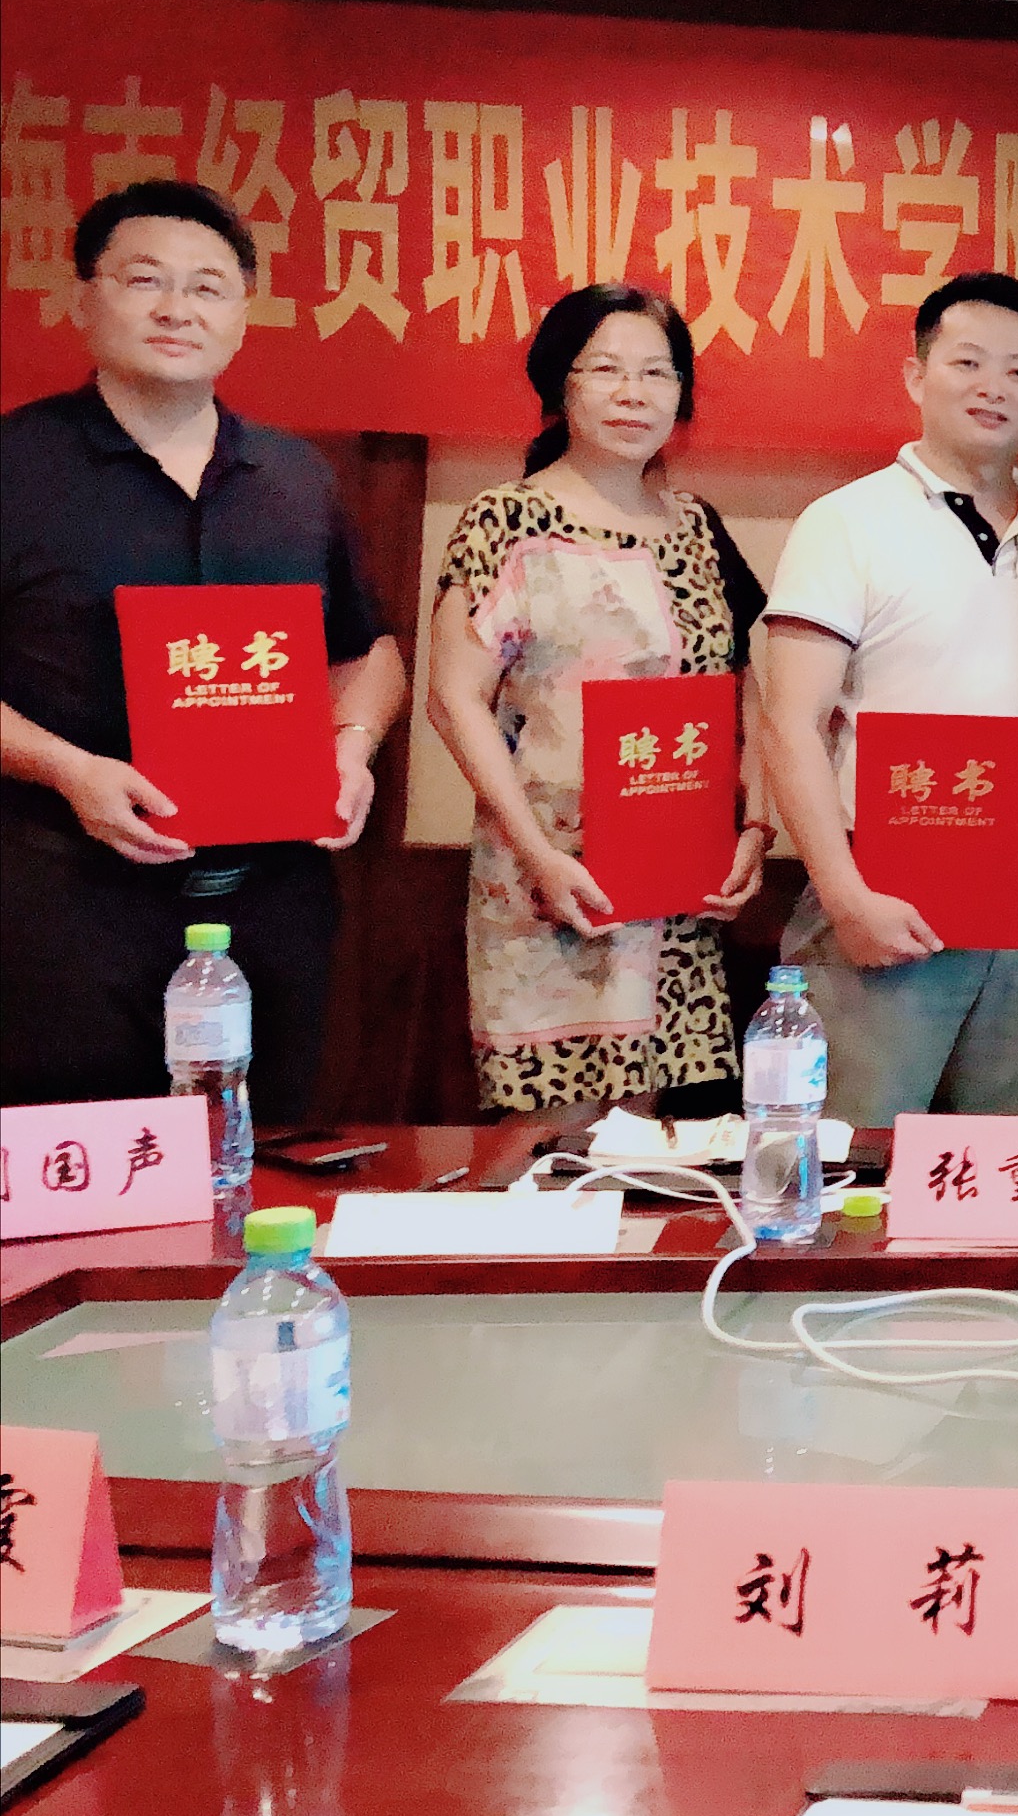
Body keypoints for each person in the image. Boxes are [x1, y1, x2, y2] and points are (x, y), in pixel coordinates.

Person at [0, 181, 403, 1119]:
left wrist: (351, 748)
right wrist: (67, 769)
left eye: (208, 287)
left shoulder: (296, 476)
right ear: (83, 299)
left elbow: (365, 651)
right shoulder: (16, 466)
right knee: (86, 1167)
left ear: (243, 314)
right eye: (145, 280)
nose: (177, 308)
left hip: (271, 906)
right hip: (66, 904)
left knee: (264, 1159)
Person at [426, 284, 771, 1114]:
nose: (633, 393)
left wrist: (757, 828)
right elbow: (452, 697)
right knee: (550, 1139)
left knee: (654, 1142)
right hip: (552, 880)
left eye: (656, 373)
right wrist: (538, 855)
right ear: (560, 384)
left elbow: (747, 690)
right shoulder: (505, 520)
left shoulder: (699, 527)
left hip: (681, 888)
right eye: (606, 369)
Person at [758, 272, 1018, 1126]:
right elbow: (789, 724)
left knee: (996, 1164)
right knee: (852, 1157)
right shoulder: (847, 522)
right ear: (915, 375)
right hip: (881, 897)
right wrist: (846, 896)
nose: (992, 386)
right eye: (967, 362)